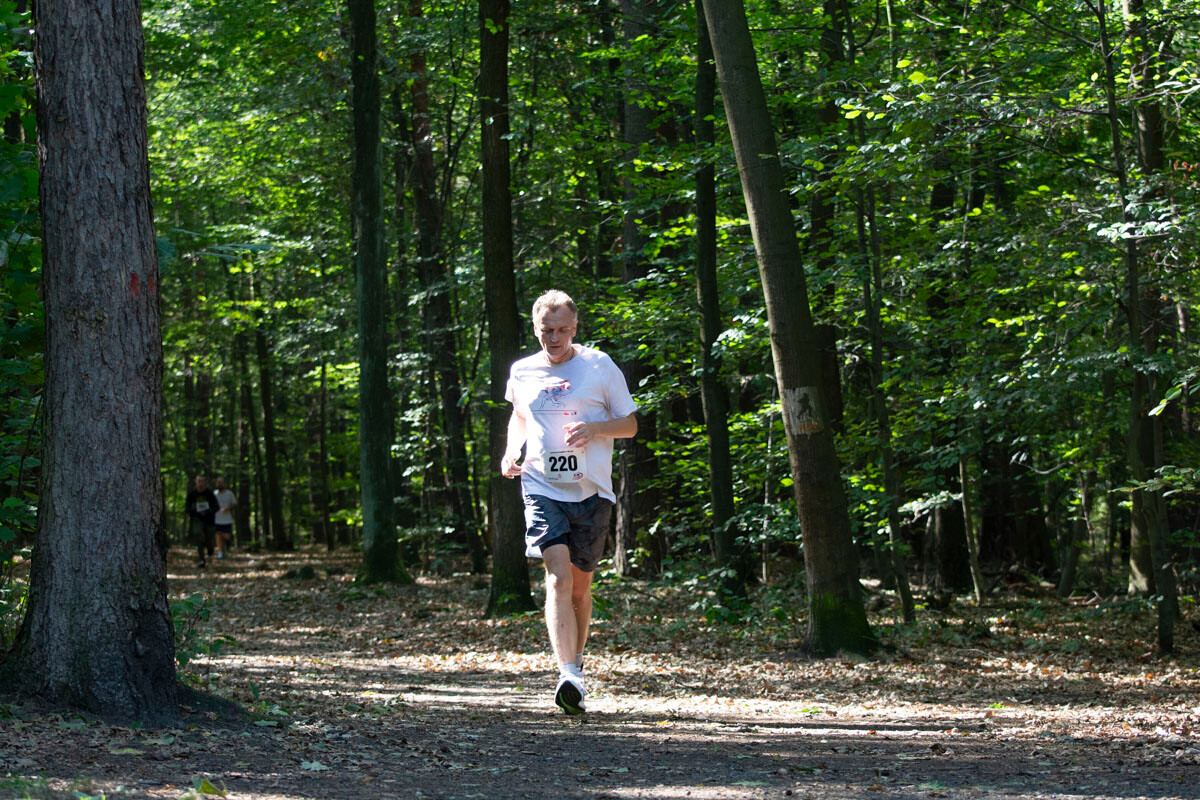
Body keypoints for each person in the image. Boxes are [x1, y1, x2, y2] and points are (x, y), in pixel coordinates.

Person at [501, 289, 638, 715]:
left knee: (580, 587)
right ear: (536, 328)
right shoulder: (523, 371)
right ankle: (566, 674)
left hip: (592, 491)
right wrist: (511, 450)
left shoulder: (600, 366)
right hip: (541, 485)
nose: (554, 338)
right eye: (547, 330)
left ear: (575, 328)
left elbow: (630, 425)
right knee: (558, 579)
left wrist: (595, 429)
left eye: (562, 329)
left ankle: (576, 670)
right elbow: (519, 416)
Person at [185, 474, 219, 568]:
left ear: (205, 482)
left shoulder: (210, 494)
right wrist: (188, 512)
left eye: (202, 481)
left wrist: (208, 511)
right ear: (196, 482)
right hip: (197, 519)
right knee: (198, 536)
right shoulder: (192, 494)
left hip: (209, 520)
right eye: (199, 481)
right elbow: (187, 506)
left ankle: (210, 547)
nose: (200, 483)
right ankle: (202, 559)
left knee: (209, 537)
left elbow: (216, 507)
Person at [213, 476, 238, 558]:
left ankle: (225, 548)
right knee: (218, 535)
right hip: (217, 519)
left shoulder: (229, 493)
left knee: (226, 536)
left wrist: (228, 509)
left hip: (227, 519)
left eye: (221, 482)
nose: (219, 484)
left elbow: (235, 504)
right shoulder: (214, 494)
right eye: (218, 482)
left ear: (224, 484)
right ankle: (220, 552)